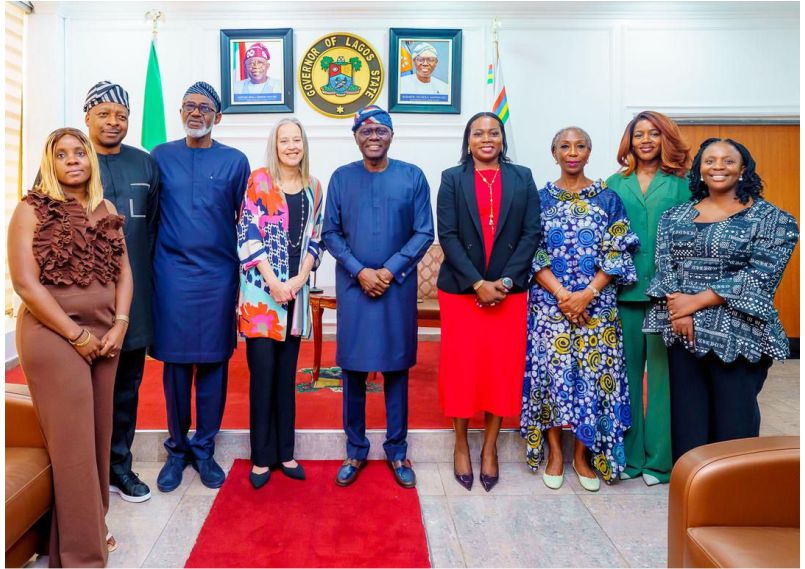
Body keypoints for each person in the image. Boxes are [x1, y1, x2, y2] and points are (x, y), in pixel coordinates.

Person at [9, 127, 133, 566]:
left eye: (80, 152)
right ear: (50, 163)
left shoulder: (107, 207)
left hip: (105, 334)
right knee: (76, 446)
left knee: (98, 437)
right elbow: (25, 282)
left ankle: (87, 526)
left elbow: (124, 273)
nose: (73, 160)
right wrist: (75, 334)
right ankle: (84, 558)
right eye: (62, 155)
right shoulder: (31, 209)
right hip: (52, 334)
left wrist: (119, 325)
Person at [643, 138, 798, 461]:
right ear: (699, 169)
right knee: (689, 421)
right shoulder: (675, 216)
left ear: (743, 170)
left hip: (739, 332)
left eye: (728, 161)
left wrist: (695, 301)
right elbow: (665, 264)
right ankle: (694, 495)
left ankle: (734, 496)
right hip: (683, 332)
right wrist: (679, 310)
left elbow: (760, 275)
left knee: (734, 421)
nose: (718, 167)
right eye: (710, 160)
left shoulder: (772, 219)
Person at [322, 105, 434, 489]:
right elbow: (331, 234)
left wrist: (387, 271)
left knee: (396, 370)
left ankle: (397, 449)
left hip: (396, 289)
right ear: (355, 137)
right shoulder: (341, 178)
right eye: (365, 130)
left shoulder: (412, 177)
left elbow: (423, 233)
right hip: (355, 289)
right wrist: (360, 270)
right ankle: (355, 449)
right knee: (352, 371)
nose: (373, 136)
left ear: (391, 135)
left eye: (380, 130)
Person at [521, 126, 638, 492]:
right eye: (564, 146)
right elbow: (529, 250)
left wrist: (586, 293)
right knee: (552, 379)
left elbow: (619, 250)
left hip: (597, 308)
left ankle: (582, 456)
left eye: (580, 145)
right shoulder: (537, 199)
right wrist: (563, 296)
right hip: (549, 306)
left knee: (591, 381)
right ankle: (555, 452)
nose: (572, 151)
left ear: (590, 152)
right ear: (553, 153)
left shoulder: (608, 199)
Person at [150, 81, 251, 492]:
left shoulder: (235, 161)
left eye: (205, 107)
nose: (196, 112)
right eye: (189, 106)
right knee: (175, 367)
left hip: (218, 277)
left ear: (218, 116)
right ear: (179, 113)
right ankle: (177, 450)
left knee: (213, 364)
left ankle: (204, 449)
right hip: (170, 275)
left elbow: (248, 224)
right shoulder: (159, 156)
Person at [436, 112, 541, 492]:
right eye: (478, 133)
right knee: (462, 369)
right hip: (462, 292)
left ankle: (491, 448)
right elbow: (446, 235)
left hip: (509, 293)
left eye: (492, 133)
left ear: (502, 139)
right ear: (468, 141)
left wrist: (506, 281)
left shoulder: (522, 177)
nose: (486, 138)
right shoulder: (452, 178)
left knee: (501, 369)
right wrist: (477, 282)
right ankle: (462, 445)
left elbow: (531, 233)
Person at [83, 80, 160, 502]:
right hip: (82, 301)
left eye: (122, 116)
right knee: (85, 391)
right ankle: (84, 474)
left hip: (136, 297)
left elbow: (154, 226)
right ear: (87, 117)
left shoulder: (145, 164)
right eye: (104, 114)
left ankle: (119, 468)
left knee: (127, 388)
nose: (114, 122)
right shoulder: (70, 159)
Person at [237, 118, 324, 489]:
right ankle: (261, 458)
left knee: (287, 378)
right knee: (262, 376)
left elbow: (317, 238)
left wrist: (300, 279)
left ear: (304, 145)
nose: (291, 146)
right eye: (284, 140)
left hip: (295, 293)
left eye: (296, 140)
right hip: (261, 294)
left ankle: (286, 453)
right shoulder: (259, 181)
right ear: (275, 145)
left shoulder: (314, 188)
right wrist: (273, 282)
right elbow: (247, 232)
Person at [605, 111, 691, 486]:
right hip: (622, 293)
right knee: (623, 378)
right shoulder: (612, 183)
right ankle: (630, 456)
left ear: (664, 139)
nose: (645, 140)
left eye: (653, 134)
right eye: (638, 134)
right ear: (629, 141)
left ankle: (659, 462)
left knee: (660, 380)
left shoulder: (681, 185)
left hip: (665, 296)